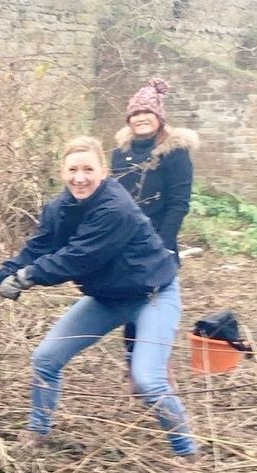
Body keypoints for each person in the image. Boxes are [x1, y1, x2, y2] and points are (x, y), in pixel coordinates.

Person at [0, 136, 198, 464]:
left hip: (153, 295)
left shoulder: (115, 207)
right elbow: (35, 250)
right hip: (107, 299)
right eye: (73, 169)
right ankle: (37, 429)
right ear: (63, 172)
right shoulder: (58, 208)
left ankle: (186, 451)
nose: (80, 177)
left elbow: (77, 258)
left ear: (103, 171)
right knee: (46, 358)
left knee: (147, 380)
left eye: (88, 169)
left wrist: (25, 279)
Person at [111, 78, 198, 377]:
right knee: (130, 299)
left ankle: (155, 365)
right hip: (126, 243)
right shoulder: (119, 154)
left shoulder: (175, 154)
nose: (140, 118)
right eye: (135, 114)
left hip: (159, 242)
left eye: (146, 113)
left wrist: (161, 245)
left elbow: (178, 204)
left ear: (159, 117)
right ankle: (134, 364)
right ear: (129, 119)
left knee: (155, 302)